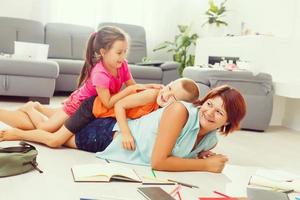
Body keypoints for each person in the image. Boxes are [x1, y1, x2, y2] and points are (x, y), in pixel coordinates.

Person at [1, 85, 246, 172]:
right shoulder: (179, 110)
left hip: (111, 132)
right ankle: (30, 115)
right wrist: (204, 165)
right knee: (52, 136)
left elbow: (177, 152)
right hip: (108, 135)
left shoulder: (209, 141)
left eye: (219, 112)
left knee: (55, 129)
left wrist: (197, 155)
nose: (209, 112)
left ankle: (33, 110)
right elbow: (159, 161)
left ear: (227, 123)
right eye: (209, 104)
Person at [0, 26, 155, 132]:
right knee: (46, 128)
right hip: (79, 105)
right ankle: (30, 108)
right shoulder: (100, 74)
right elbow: (108, 102)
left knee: (57, 116)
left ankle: (38, 107)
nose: (123, 56)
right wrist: (128, 90)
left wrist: (150, 89)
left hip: (89, 103)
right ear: (103, 52)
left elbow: (133, 86)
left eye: (125, 52)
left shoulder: (123, 65)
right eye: (119, 52)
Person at [0, 78, 200, 151]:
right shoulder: (152, 96)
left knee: (55, 118)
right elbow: (120, 106)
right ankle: (20, 129)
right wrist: (126, 133)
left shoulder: (163, 110)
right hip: (93, 109)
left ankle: (34, 109)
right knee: (54, 138)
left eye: (173, 97)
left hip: (102, 114)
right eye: (170, 87)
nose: (166, 94)